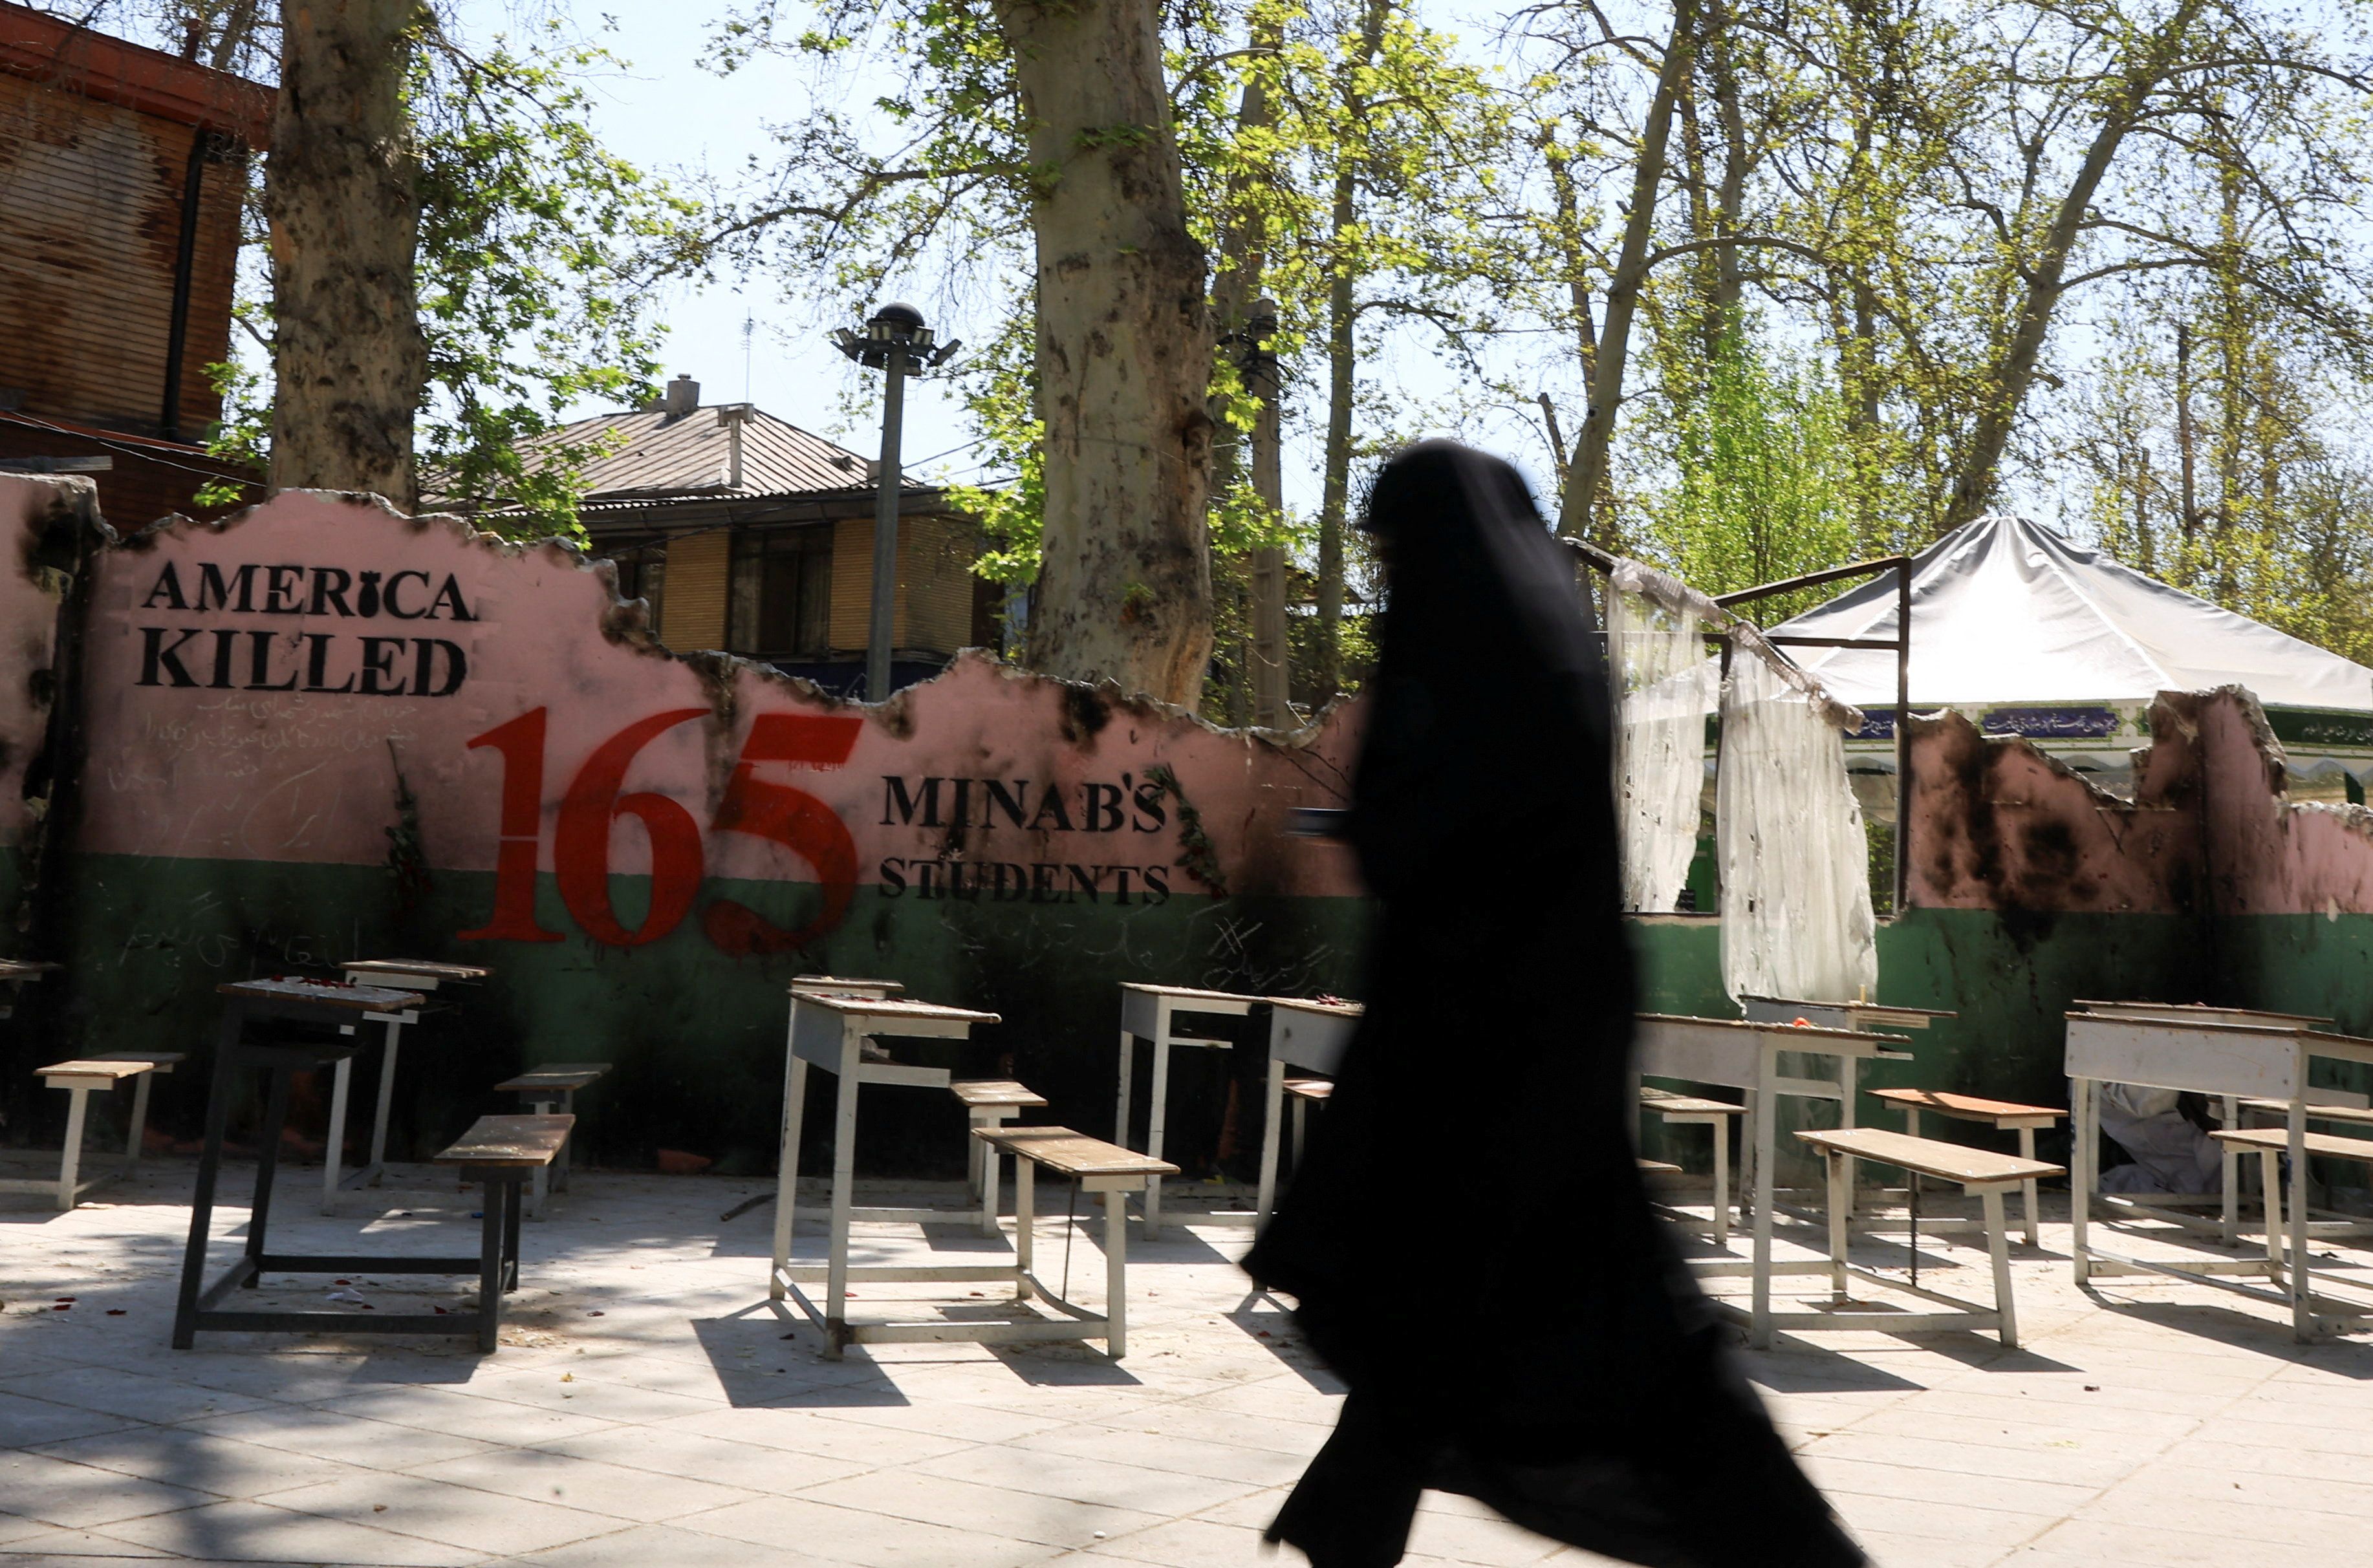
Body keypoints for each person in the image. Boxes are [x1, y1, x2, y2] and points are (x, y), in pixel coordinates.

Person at [1244, 441, 1865, 1568]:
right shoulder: (1538, 647)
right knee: (1441, 1322)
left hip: (1488, 1062)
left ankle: (1801, 1555)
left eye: (1394, 547)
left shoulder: (1466, 648)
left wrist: (1366, 829)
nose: (1390, 571)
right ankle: (1343, 1533)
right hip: (1521, 1046)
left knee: (1606, 1342)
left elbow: (1431, 831)